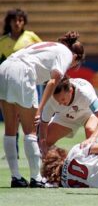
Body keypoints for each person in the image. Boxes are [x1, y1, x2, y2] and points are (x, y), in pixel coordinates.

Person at [0, 31, 85, 188]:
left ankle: (16, 177)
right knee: (30, 131)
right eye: (76, 64)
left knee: (10, 129)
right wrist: (40, 108)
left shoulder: (49, 46)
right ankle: (36, 178)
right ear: (76, 57)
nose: (72, 67)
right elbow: (53, 81)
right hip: (22, 72)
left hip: (4, 67)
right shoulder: (66, 54)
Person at [0, 8, 42, 160]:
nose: (17, 23)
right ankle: (14, 150)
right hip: (9, 86)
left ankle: (38, 148)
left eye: (20, 20)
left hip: (30, 83)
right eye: (14, 20)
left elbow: (43, 54)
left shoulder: (31, 37)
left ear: (24, 22)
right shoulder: (3, 42)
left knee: (32, 118)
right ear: (9, 22)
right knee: (12, 119)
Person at [38, 76, 98, 154]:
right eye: (57, 100)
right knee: (45, 141)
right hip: (65, 117)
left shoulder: (85, 93)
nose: (60, 103)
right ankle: (59, 162)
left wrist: (93, 138)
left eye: (62, 99)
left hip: (88, 114)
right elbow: (43, 124)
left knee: (90, 130)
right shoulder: (50, 99)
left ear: (70, 91)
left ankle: (94, 161)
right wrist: (43, 145)